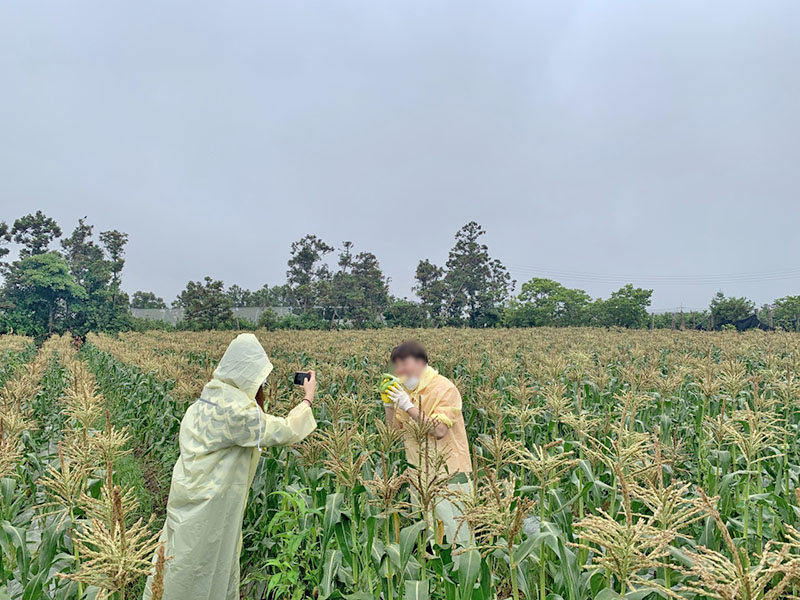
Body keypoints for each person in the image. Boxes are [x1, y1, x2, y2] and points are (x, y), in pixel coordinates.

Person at [143, 333, 317, 600]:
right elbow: (282, 430)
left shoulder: (204, 401)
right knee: (204, 569)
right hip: (210, 511)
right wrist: (307, 400)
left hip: (186, 501)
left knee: (178, 564)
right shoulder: (236, 412)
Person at [383, 340, 472, 545]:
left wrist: (408, 406)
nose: (400, 370)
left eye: (404, 363)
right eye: (396, 365)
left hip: (449, 477)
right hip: (420, 476)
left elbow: (439, 430)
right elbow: (393, 434)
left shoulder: (445, 389)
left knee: (454, 536)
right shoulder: (406, 392)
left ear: (421, 362)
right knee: (428, 536)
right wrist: (389, 404)